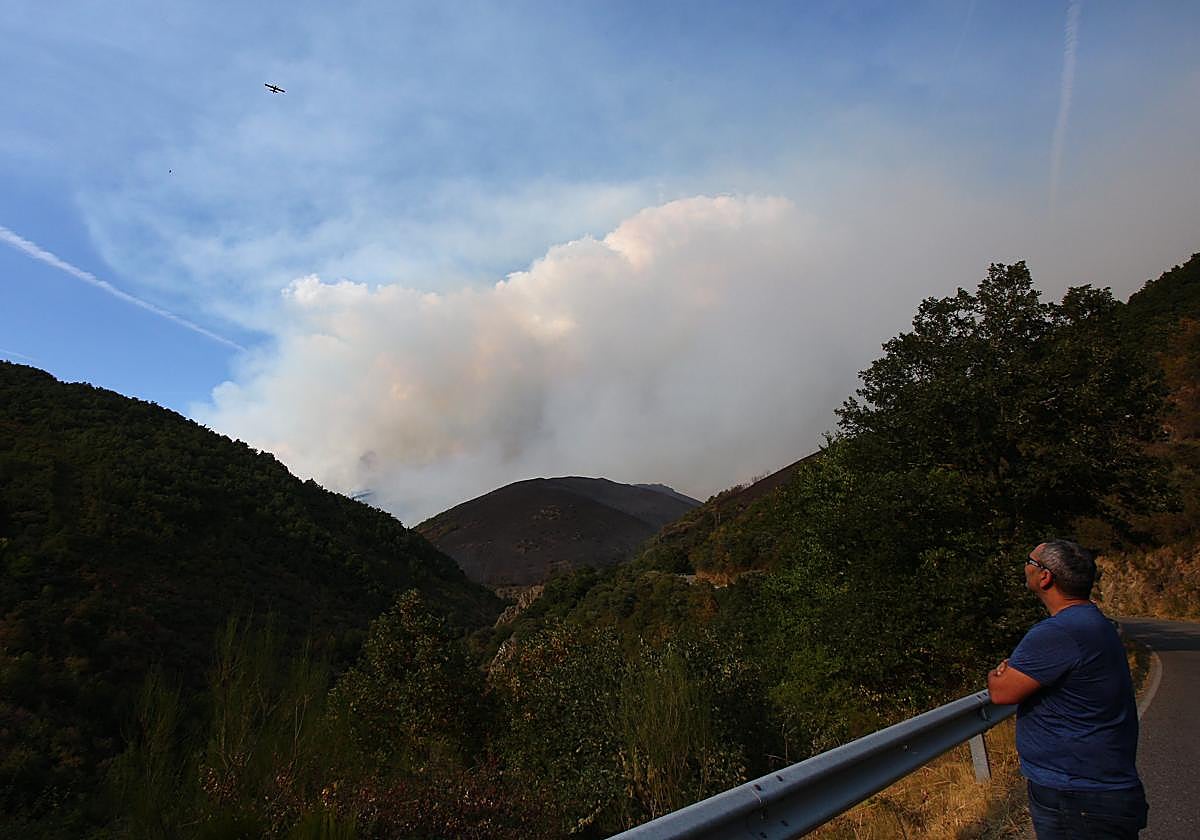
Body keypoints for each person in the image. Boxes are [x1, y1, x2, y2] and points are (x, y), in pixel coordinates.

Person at [987, 539, 1148, 839]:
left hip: (1075, 796)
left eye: (1029, 561)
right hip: (1099, 790)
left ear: (1045, 577)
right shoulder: (1095, 623)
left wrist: (997, 673)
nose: (1025, 567)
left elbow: (1001, 692)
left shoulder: (1057, 632)